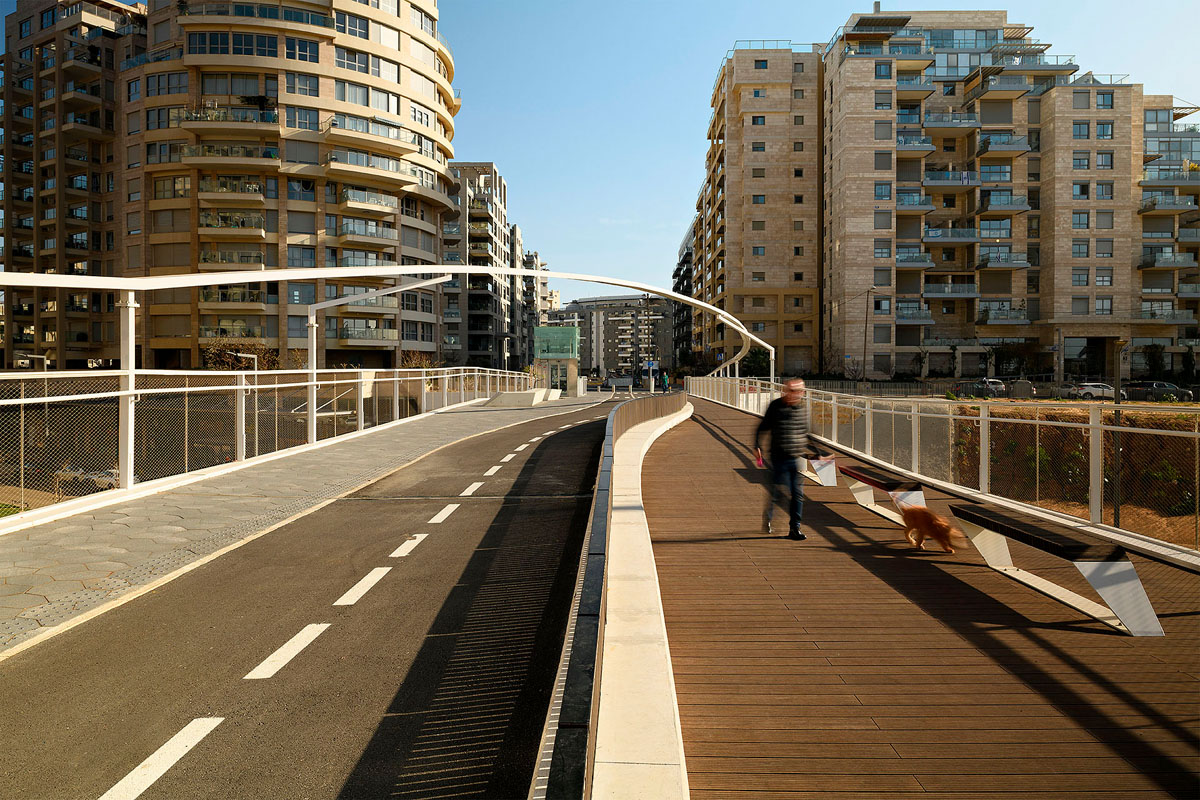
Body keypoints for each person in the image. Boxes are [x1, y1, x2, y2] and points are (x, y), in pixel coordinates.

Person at [754, 378, 820, 540]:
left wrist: (819, 453)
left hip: (795, 457)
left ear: (802, 393)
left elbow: (806, 434)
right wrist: (757, 445)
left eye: (797, 391)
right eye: (790, 391)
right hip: (778, 457)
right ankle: (768, 518)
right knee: (777, 493)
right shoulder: (775, 407)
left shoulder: (802, 410)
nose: (793, 394)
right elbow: (762, 427)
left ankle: (794, 529)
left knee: (797, 494)